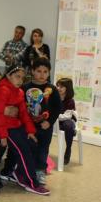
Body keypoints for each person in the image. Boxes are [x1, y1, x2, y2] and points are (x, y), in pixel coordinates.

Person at [0, 65, 50, 195]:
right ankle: (30, 182)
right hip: (6, 128)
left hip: (15, 125)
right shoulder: (3, 90)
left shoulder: (19, 92)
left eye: (22, 78)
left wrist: (30, 131)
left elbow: (23, 113)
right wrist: (3, 136)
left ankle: (14, 172)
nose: (20, 80)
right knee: (23, 150)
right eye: (17, 77)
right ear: (8, 76)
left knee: (33, 144)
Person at [22, 57, 61, 185]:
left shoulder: (52, 89)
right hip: (28, 126)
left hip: (45, 127)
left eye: (45, 72)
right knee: (29, 148)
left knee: (43, 149)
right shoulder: (25, 87)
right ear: (32, 71)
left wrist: (49, 121)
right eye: (39, 71)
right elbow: (21, 107)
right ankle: (27, 170)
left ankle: (40, 171)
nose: (42, 74)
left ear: (49, 73)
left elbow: (57, 108)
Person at [56, 78, 76, 165]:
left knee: (69, 126)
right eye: (58, 86)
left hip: (66, 120)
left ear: (68, 88)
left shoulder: (70, 101)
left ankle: (68, 150)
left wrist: (56, 116)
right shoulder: (54, 98)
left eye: (62, 87)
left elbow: (67, 116)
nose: (59, 88)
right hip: (56, 121)